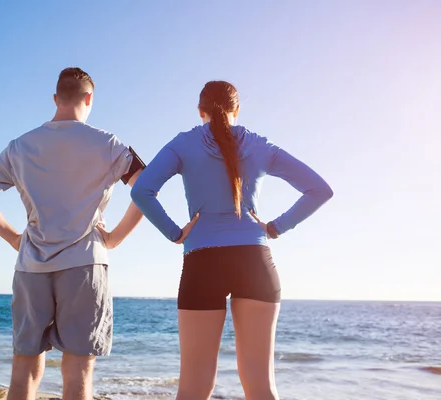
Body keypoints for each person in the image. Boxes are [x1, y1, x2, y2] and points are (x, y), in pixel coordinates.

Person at [131, 80, 333, 400]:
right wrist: (276, 227)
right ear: (237, 109)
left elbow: (141, 191)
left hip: (202, 261)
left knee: (194, 387)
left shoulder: (182, 144)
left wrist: (174, 232)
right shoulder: (260, 145)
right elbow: (320, 190)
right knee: (260, 387)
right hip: (255, 261)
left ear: (200, 111)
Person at [0, 67, 145, 400]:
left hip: (31, 265)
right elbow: (147, 189)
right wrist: (116, 236)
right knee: (77, 373)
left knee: (23, 371)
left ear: (55, 98)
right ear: (89, 98)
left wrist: (13, 238)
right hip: (85, 264)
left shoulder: (20, 146)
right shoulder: (108, 143)